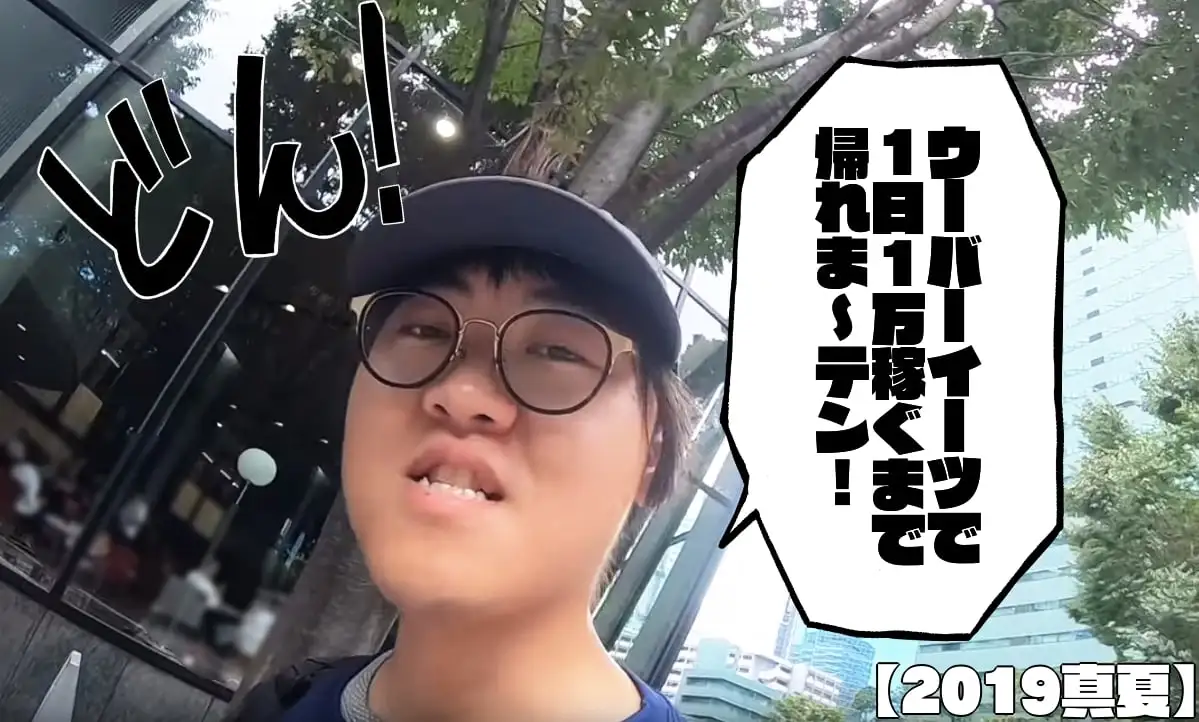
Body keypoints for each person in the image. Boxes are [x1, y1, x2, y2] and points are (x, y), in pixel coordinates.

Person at [235, 176, 694, 722]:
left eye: (556, 351)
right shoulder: (280, 708)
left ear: (651, 454)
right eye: (425, 330)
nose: (462, 394)